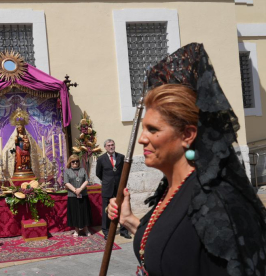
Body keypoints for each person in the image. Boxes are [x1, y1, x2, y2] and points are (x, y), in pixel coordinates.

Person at [107, 43, 266, 276]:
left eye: (153, 129)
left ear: (187, 135)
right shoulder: (169, 190)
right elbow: (174, 240)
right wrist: (129, 220)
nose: (142, 139)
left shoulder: (217, 201)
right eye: (143, 129)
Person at [96, 139, 130, 240]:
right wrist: (107, 181)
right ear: (105, 147)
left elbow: (124, 171)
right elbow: (98, 173)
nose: (111, 147)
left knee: (122, 208)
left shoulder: (121, 157)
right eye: (109, 145)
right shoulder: (101, 159)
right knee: (106, 210)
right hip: (107, 187)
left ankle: (124, 230)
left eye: (112, 145)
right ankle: (106, 231)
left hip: (119, 187)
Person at [64, 154, 92, 237]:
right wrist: (75, 190)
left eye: (76, 161)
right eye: (73, 161)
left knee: (84, 212)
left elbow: (87, 180)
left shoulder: (83, 170)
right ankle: (76, 230)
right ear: (70, 162)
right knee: (75, 213)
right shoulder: (67, 171)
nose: (75, 163)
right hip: (72, 195)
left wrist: (80, 189)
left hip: (83, 194)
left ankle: (86, 229)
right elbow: (66, 182)